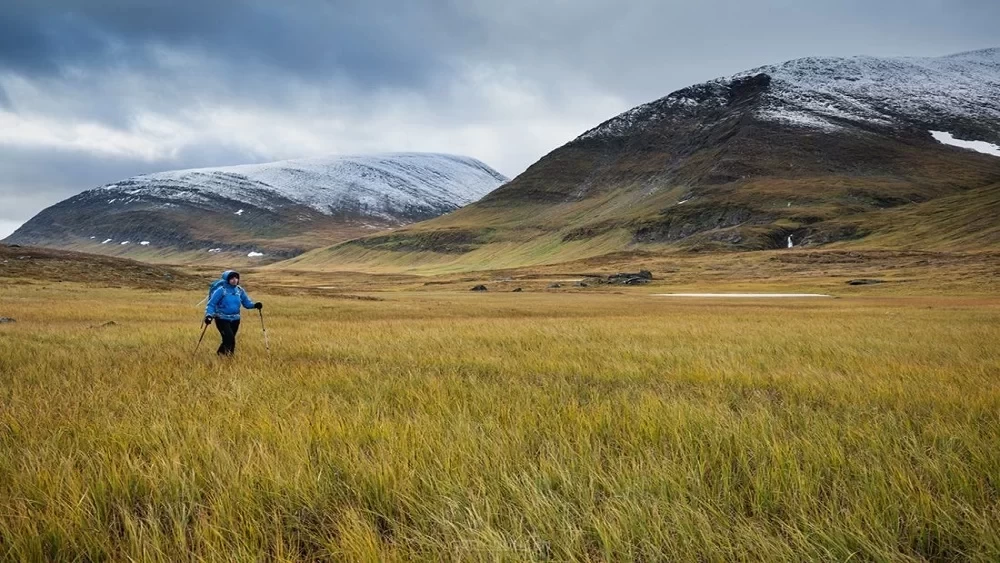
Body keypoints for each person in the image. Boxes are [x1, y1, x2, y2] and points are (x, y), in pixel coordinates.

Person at [204, 270, 262, 356]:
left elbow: (246, 303)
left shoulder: (239, 290)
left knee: (230, 340)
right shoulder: (221, 290)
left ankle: (227, 358)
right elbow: (211, 304)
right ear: (227, 279)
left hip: (235, 319)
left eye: (236, 278)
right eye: (232, 278)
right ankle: (222, 356)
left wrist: (255, 305)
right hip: (222, 319)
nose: (235, 280)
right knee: (229, 338)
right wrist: (209, 315)